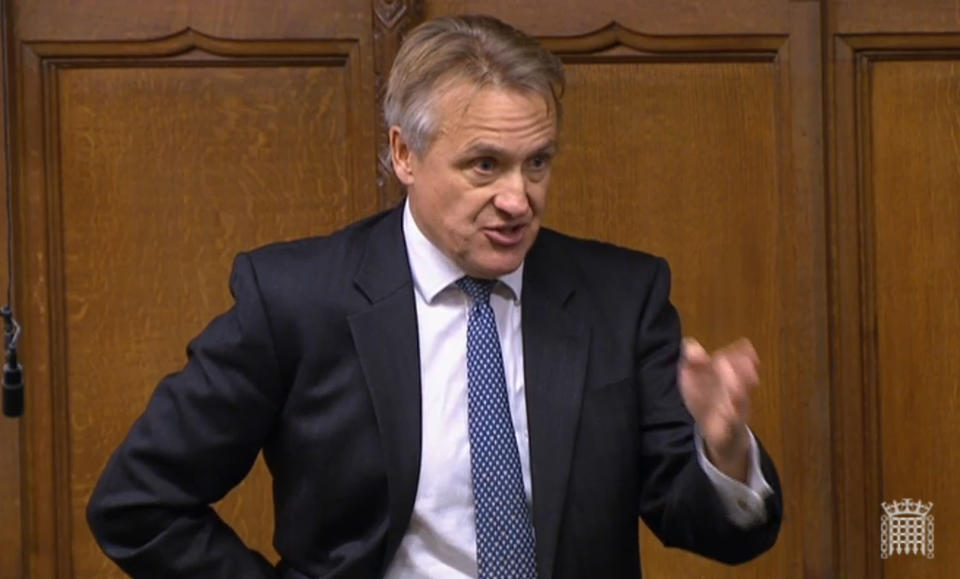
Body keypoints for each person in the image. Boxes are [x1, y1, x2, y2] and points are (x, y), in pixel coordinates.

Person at [87, 14, 782, 579]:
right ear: (404, 154)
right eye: (486, 164)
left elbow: (712, 528)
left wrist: (721, 453)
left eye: (537, 162)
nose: (518, 199)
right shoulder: (297, 299)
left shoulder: (620, 297)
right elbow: (139, 502)